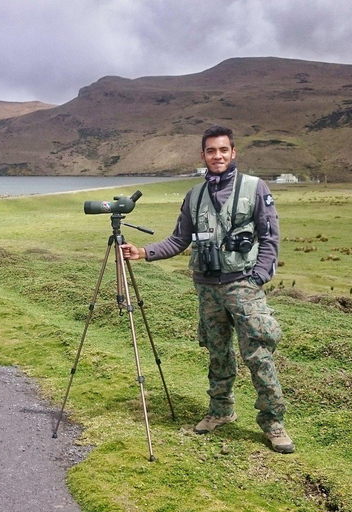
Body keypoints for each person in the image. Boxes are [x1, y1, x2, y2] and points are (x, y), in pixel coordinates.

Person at [121, 125, 293, 454]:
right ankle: (221, 411)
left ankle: (274, 423)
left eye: (223, 150)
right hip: (207, 289)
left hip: (243, 285)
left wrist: (257, 278)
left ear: (233, 153)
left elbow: (270, 237)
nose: (218, 156)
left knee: (258, 355)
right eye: (211, 151)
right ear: (203, 155)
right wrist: (144, 252)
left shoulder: (255, 188)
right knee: (218, 354)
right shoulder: (194, 196)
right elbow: (178, 239)